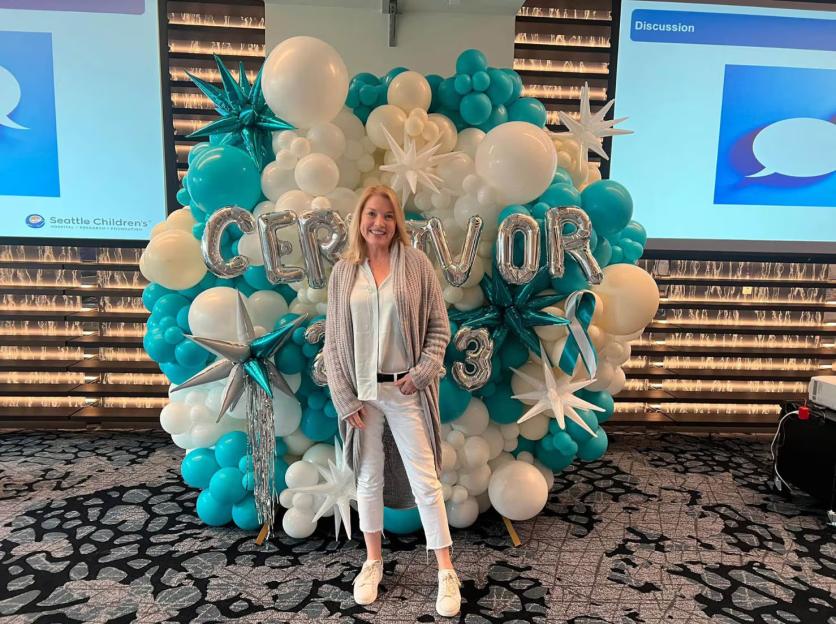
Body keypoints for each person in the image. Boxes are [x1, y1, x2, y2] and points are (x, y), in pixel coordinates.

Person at [323, 185, 460, 617]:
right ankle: (372, 562)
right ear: (359, 220)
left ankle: (445, 571)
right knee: (368, 479)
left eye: (386, 216)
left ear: (396, 222)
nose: (378, 223)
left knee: (425, 481)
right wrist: (345, 398)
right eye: (371, 215)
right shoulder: (344, 272)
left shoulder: (416, 264)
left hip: (405, 391)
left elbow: (439, 327)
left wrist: (421, 373)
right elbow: (332, 342)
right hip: (363, 393)